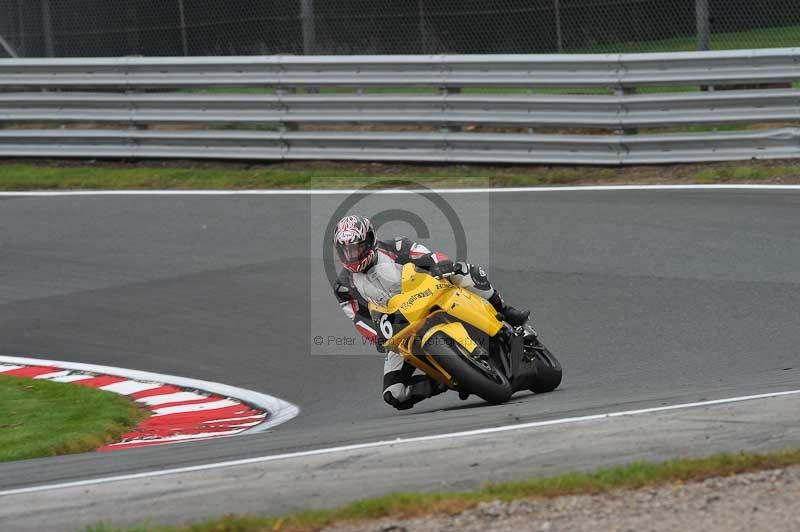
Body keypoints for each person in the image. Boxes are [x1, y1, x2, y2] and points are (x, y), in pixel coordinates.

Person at [332, 214, 529, 410]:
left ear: (370, 240)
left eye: (357, 248)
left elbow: (429, 255)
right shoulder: (343, 287)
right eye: (346, 251)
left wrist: (440, 263)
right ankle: (447, 379)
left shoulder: (396, 246)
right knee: (394, 393)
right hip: (401, 327)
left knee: (463, 271)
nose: (353, 255)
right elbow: (359, 319)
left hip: (429, 294)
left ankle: (505, 310)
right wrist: (377, 337)